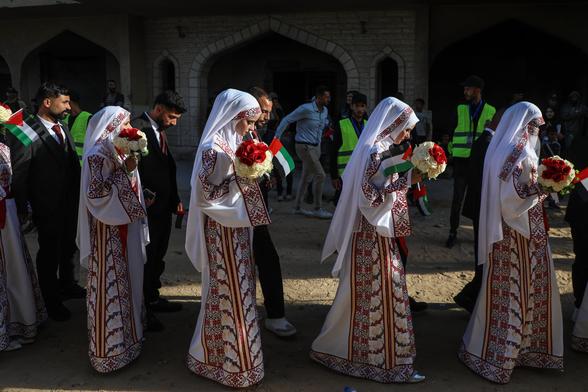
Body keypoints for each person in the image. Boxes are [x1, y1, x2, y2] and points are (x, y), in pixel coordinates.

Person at [311, 97, 425, 384]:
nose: (408, 135)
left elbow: (380, 187)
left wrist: (408, 175)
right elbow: (369, 197)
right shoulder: (375, 151)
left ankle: (353, 352)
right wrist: (407, 181)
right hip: (373, 235)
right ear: (394, 123)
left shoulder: (382, 150)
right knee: (381, 293)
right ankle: (379, 361)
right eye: (407, 129)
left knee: (374, 294)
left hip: (379, 232)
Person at [458, 102, 563, 383]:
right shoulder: (517, 151)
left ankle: (502, 349)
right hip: (519, 235)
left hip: (508, 234)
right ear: (523, 126)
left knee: (503, 291)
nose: (535, 132)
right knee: (517, 291)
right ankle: (506, 353)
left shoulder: (504, 148)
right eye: (533, 127)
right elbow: (512, 199)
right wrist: (547, 187)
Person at [185, 89, 270, 388]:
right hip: (220, 231)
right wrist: (242, 178)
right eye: (248, 121)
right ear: (234, 117)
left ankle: (240, 355)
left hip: (236, 228)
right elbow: (206, 194)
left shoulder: (232, 142)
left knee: (240, 287)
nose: (251, 128)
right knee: (227, 289)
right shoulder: (212, 147)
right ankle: (219, 358)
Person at [77, 106, 148, 373]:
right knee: (111, 285)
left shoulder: (116, 151)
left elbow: (126, 184)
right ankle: (109, 351)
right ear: (112, 125)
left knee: (128, 280)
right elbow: (95, 196)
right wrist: (125, 171)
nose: (129, 128)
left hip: (124, 226)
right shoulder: (97, 155)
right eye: (125, 123)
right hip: (107, 233)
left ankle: (131, 340)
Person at [7, 82, 84, 321]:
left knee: (68, 245)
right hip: (46, 204)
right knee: (50, 251)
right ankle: (51, 300)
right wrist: (24, 206)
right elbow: (19, 172)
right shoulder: (25, 129)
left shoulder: (62, 125)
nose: (69, 107)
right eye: (64, 102)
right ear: (47, 102)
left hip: (69, 201)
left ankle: (67, 283)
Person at [132, 91, 185, 331]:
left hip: (163, 208)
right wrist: (144, 195)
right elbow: (131, 171)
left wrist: (175, 199)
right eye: (172, 117)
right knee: (146, 257)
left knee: (157, 255)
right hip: (146, 209)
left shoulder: (159, 131)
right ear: (159, 108)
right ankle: (143, 308)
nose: (174, 122)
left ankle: (152, 296)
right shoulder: (136, 128)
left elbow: (167, 168)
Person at [247, 87, 296, 337]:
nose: (267, 116)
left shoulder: (255, 133)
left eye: (269, 112)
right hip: (240, 215)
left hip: (257, 211)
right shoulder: (236, 136)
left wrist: (268, 175)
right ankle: (273, 316)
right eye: (263, 111)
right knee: (265, 260)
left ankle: (274, 315)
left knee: (265, 260)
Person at [0, 117, 47, 352]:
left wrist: (22, 205)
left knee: (16, 266)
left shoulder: (6, 146)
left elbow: (17, 172)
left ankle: (23, 320)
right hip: (2, 213)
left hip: (8, 215)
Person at [454, 109, 503, 312]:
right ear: (496, 122)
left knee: (483, 257)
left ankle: (470, 296)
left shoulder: (488, 140)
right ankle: (470, 298)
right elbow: (481, 177)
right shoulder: (486, 142)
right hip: (482, 207)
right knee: (483, 257)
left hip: (481, 206)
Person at [446, 75, 496, 248]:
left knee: (480, 200)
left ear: (477, 90)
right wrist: (451, 152)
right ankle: (452, 232)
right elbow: (449, 133)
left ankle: (479, 234)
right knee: (457, 200)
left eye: (468, 88)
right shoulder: (460, 109)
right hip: (461, 162)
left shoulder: (491, 111)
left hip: (481, 163)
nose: (465, 91)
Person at [275, 85, 332, 219]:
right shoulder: (305, 109)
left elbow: (323, 125)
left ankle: (297, 207)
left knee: (306, 178)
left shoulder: (324, 111)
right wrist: (276, 137)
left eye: (329, 97)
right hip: (304, 146)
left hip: (316, 147)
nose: (329, 99)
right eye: (326, 97)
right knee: (321, 175)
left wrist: (327, 128)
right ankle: (318, 208)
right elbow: (287, 119)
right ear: (318, 97)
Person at [566, 111, 588, 350]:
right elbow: (572, 175)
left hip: (580, 210)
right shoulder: (581, 143)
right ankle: (579, 304)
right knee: (582, 258)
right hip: (582, 210)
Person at [330, 92, 368, 205]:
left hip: (363, 172)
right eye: (357, 106)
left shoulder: (369, 124)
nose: (360, 109)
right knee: (342, 203)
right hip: (345, 173)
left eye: (362, 106)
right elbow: (333, 151)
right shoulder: (341, 124)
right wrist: (334, 176)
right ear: (351, 106)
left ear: (366, 107)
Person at [269, 92, 293, 201]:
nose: (273, 102)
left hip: (282, 141)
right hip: (272, 141)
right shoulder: (268, 112)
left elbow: (285, 125)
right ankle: (279, 191)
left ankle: (288, 191)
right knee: (276, 167)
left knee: (287, 165)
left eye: (274, 99)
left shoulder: (279, 111)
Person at [66, 92, 92, 164]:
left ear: (71, 102)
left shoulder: (88, 118)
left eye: (66, 102)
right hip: (70, 167)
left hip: (84, 167)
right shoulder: (64, 120)